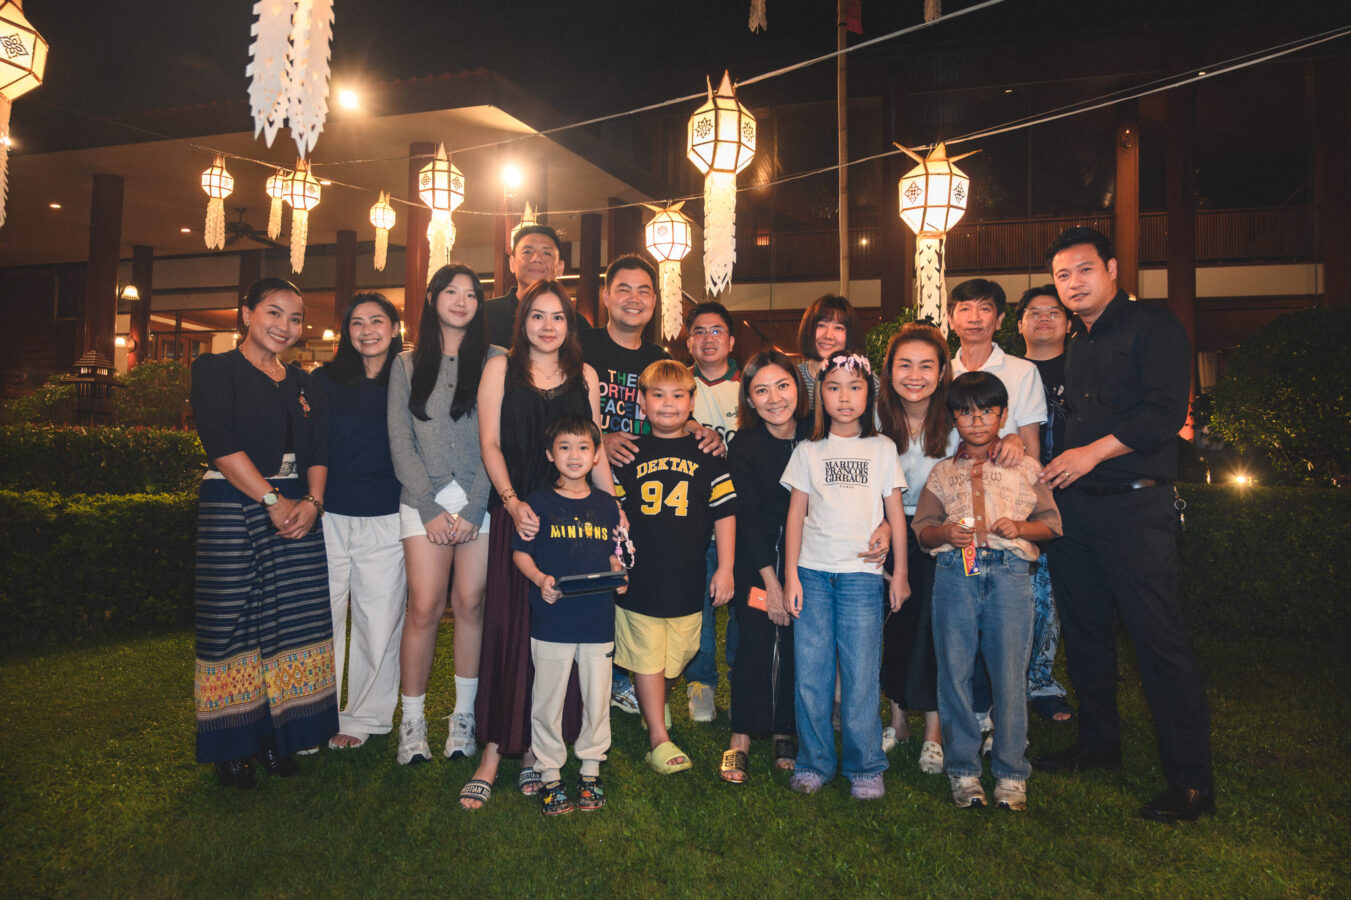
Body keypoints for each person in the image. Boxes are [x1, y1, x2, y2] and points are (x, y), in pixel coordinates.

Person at [1035, 227, 1215, 824]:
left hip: (1136, 509)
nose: (1073, 284)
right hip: (1077, 511)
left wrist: (1090, 454)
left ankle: (1190, 782)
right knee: (1086, 634)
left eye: (1084, 270)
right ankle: (1098, 745)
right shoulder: (1078, 342)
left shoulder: (1154, 327)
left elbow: (1164, 414)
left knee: (1159, 642)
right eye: (1062, 276)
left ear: (1112, 269)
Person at [467, 278, 619, 809]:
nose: (548, 326)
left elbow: (596, 451)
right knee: (510, 631)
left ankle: (541, 750)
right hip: (524, 519)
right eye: (537, 315)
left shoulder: (585, 376)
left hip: (575, 525)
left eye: (558, 316)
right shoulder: (499, 368)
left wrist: (615, 512)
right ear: (522, 321)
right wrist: (513, 504)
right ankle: (495, 749)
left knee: (565, 637)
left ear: (569, 324)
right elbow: (489, 443)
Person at [189, 277, 336, 789]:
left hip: (299, 508)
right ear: (247, 313)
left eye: (295, 318)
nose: (284, 326)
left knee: (292, 620)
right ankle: (233, 745)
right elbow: (219, 442)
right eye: (274, 312)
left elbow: (319, 450)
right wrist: (271, 500)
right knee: (232, 620)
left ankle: (280, 736)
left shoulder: (305, 383)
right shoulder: (215, 370)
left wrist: (313, 503)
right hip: (234, 501)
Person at [913, 371, 1063, 812]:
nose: (977, 421)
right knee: (954, 672)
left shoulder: (1026, 468)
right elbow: (922, 529)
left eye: (987, 412)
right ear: (953, 418)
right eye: (966, 413)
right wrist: (944, 533)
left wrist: (1020, 527)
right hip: (956, 574)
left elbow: (1052, 524)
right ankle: (963, 770)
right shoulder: (942, 473)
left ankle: (1011, 773)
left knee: (1010, 673)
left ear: (1003, 414)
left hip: (1010, 575)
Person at [580, 255, 720, 715]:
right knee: (596, 586)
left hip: (641, 494)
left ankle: (628, 680)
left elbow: (674, 406)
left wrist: (701, 430)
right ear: (606, 295)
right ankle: (589, 681)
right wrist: (601, 438)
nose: (633, 298)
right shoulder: (582, 348)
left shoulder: (660, 358)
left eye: (644, 290)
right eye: (623, 288)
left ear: (655, 301)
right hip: (584, 483)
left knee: (636, 582)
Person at [781, 352, 908, 801]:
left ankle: (865, 766)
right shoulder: (808, 451)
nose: (844, 397)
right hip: (813, 575)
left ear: (869, 394)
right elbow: (795, 516)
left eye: (854, 388)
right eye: (833, 388)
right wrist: (791, 576)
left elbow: (896, 513)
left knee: (861, 673)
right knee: (811, 673)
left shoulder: (882, 448)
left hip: (862, 577)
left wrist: (900, 573)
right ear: (821, 396)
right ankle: (814, 761)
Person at [387, 264, 499, 766]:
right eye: (451, 292)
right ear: (433, 298)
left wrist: (475, 505)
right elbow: (400, 439)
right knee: (425, 606)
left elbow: (498, 438)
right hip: (422, 500)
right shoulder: (406, 363)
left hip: (479, 497)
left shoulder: (496, 360)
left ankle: (463, 718)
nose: (461, 301)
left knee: (471, 603)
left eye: (471, 294)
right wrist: (429, 506)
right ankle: (412, 721)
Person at [611, 360, 736, 776]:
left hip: (687, 576)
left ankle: (655, 702)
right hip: (640, 576)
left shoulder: (709, 454)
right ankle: (657, 738)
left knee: (678, 654)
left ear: (692, 401)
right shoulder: (628, 454)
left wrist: (726, 567)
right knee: (647, 655)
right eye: (658, 395)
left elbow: (725, 514)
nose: (668, 403)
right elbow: (611, 512)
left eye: (678, 395)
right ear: (642, 403)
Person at [512, 416, 625, 815]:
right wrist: (540, 579)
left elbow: (615, 554)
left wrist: (618, 575)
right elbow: (521, 554)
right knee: (548, 700)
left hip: (597, 620)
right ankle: (549, 774)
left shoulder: (607, 505)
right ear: (550, 454)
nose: (574, 455)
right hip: (553, 620)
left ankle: (590, 770)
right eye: (564, 447)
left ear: (596, 456)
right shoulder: (538, 503)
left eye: (583, 447)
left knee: (597, 698)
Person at [313, 293, 405, 751]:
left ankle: (365, 716)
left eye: (377, 321)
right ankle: (313, 714)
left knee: (378, 619)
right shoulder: (324, 380)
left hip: (386, 514)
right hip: (327, 513)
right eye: (357, 323)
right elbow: (311, 444)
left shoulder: (408, 380)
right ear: (346, 332)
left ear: (394, 327)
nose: (367, 331)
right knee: (321, 617)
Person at [876, 323, 958, 776]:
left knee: (933, 626)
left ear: (942, 371)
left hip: (941, 532)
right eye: (904, 365)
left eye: (926, 366)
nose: (914, 375)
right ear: (889, 371)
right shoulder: (873, 418)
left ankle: (934, 730)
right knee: (893, 622)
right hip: (887, 529)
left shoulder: (957, 418)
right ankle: (897, 719)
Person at [1013, 285, 1075, 723]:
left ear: (1069, 323)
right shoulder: (1010, 372)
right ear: (1019, 324)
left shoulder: (1084, 370)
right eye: (1034, 312)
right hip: (1016, 494)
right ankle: (1005, 680)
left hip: (1074, 493)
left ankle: (1042, 681)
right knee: (1019, 587)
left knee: (1053, 594)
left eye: (1054, 311)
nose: (1044, 318)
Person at [683, 300, 742, 724]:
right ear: (688, 341)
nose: (708, 339)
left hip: (741, 515)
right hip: (692, 516)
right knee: (698, 602)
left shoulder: (749, 385)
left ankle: (741, 679)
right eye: (699, 332)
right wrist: (692, 426)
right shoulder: (677, 382)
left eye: (717, 331)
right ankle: (701, 682)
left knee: (743, 605)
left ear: (731, 341)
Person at [483, 224, 566, 349]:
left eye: (546, 253)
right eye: (527, 252)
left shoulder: (574, 321)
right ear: (512, 263)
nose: (536, 258)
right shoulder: (486, 314)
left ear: (560, 267)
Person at [794, 294, 867, 406]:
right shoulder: (792, 378)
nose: (828, 336)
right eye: (821, 325)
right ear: (808, 330)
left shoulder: (864, 379)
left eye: (838, 328)